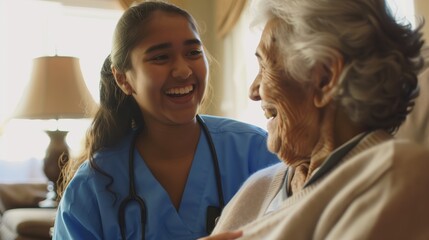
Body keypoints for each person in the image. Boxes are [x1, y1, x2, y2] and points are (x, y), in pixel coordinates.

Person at [201, 0, 429, 239]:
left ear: (325, 79)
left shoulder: (393, 175)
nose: (253, 90)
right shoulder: (258, 187)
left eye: (264, 66)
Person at [52, 2, 279, 240]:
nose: (183, 71)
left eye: (193, 53)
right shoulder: (92, 188)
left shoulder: (257, 152)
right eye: (161, 57)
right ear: (123, 79)